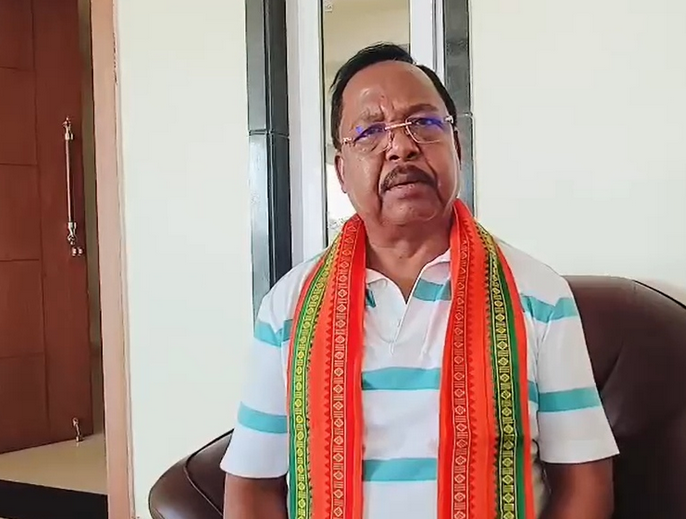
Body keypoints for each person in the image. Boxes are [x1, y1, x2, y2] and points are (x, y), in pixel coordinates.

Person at [221, 43, 619, 519]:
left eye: (424, 124)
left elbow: (585, 483)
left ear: (458, 148)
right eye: (370, 131)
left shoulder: (539, 296)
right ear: (342, 172)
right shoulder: (286, 309)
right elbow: (252, 487)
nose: (401, 147)